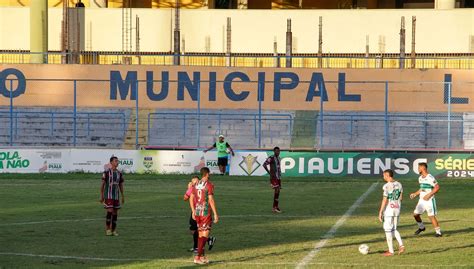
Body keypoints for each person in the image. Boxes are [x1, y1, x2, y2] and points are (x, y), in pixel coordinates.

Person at [189, 167, 219, 265]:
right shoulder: (209, 185)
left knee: (201, 235)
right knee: (204, 236)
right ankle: (197, 257)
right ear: (207, 174)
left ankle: (202, 257)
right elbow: (210, 199)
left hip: (197, 212)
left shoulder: (196, 184)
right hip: (205, 211)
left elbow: (191, 197)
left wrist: (193, 211)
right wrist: (215, 213)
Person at [183, 176, 216, 254]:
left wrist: (189, 189)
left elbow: (185, 198)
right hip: (196, 210)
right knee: (193, 230)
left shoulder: (194, 187)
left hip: (198, 211)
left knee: (198, 230)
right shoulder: (193, 188)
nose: (194, 183)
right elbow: (185, 198)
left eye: (195, 181)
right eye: (192, 181)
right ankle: (208, 240)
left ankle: (197, 248)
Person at [410, 162, 442, 237]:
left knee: (431, 216)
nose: (418, 169)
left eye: (419, 168)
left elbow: (437, 187)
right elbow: (422, 188)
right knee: (416, 214)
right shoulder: (420, 178)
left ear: (423, 168)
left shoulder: (430, 177)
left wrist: (429, 195)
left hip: (429, 200)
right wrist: (415, 193)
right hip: (421, 200)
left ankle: (438, 232)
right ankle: (422, 228)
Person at [378, 169, 405, 256]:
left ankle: (391, 251)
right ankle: (401, 245)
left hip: (389, 210)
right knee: (394, 229)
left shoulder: (386, 186)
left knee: (387, 229)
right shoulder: (399, 184)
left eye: (384, 175)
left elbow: (384, 200)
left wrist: (380, 212)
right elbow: (401, 198)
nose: (383, 177)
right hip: (397, 209)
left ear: (387, 175)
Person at [100, 156, 125, 236]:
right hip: (108, 195)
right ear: (111, 162)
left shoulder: (119, 173)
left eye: (117, 161)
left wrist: (122, 195)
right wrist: (101, 196)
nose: (117, 162)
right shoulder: (106, 172)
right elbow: (103, 185)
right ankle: (108, 229)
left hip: (116, 196)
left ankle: (113, 230)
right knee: (110, 211)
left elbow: (121, 185)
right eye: (115, 161)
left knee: (115, 213)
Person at [263, 147, 282, 213]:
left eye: (279, 151)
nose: (278, 152)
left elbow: (278, 168)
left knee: (278, 191)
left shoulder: (279, 158)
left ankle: (276, 207)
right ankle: (274, 207)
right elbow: (264, 165)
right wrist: (269, 173)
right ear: (274, 151)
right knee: (277, 190)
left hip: (278, 177)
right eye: (276, 151)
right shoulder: (271, 158)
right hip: (274, 177)